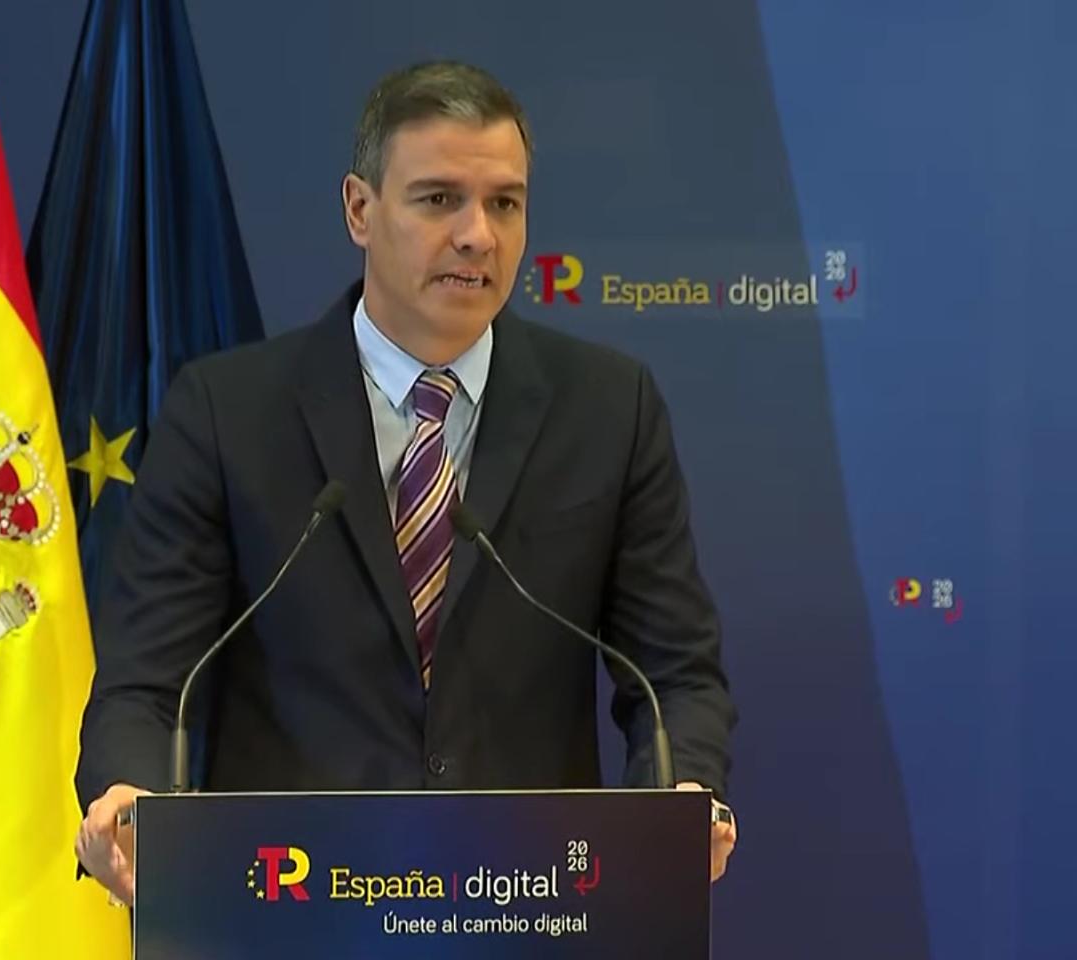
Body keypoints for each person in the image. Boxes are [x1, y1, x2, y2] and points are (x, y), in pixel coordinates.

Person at [73, 60, 737, 906]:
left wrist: (678, 797)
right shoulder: (228, 411)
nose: (478, 236)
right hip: (295, 908)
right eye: (438, 200)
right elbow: (147, 677)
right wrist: (133, 798)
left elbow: (674, 673)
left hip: (529, 907)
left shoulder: (609, 408)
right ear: (360, 209)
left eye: (505, 202)